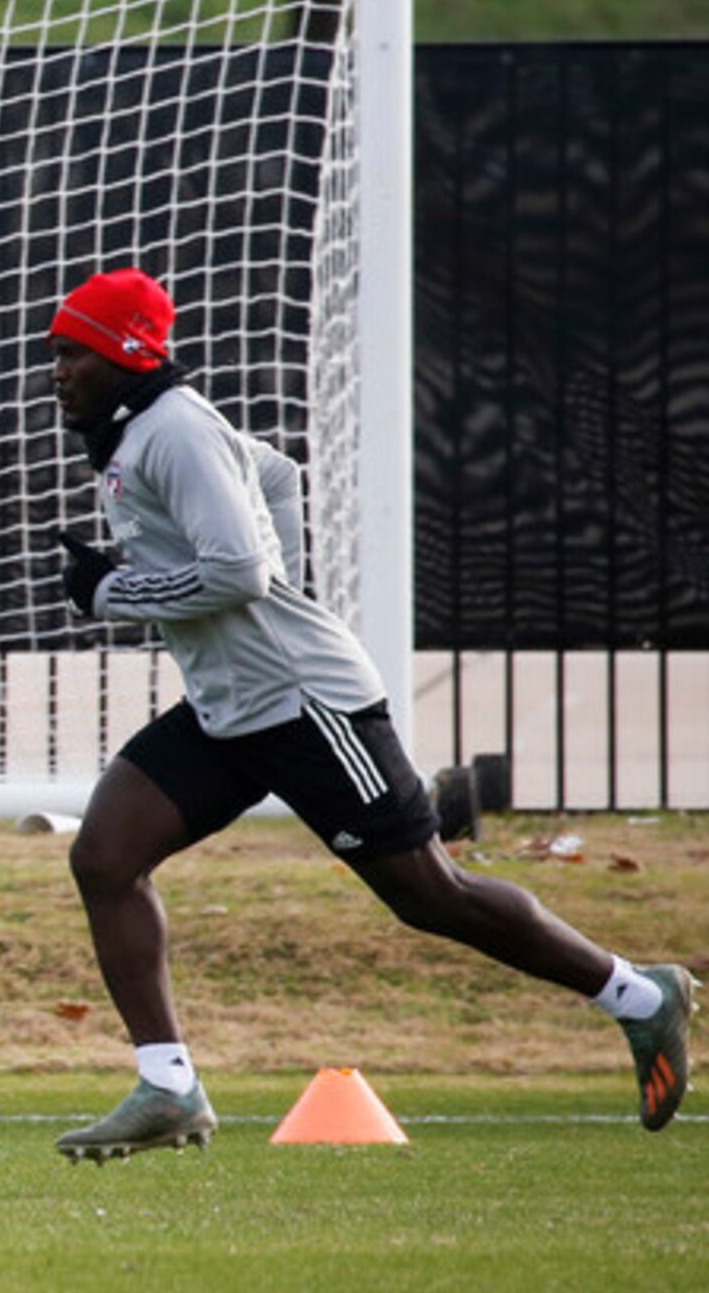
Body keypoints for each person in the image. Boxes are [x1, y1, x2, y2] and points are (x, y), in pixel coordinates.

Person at [43, 269, 691, 1159]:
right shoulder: (145, 430)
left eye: (71, 351)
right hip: (232, 707)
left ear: (122, 352)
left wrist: (112, 588)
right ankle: (167, 1086)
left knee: (430, 896)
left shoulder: (173, 430)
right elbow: (274, 472)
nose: (57, 369)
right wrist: (276, 601)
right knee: (105, 855)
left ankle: (638, 994)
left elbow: (237, 574)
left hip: (307, 705)